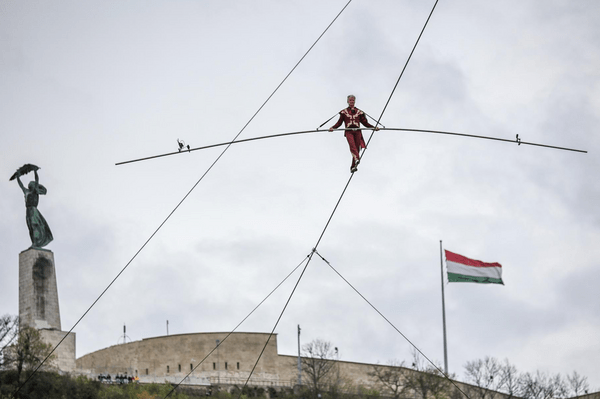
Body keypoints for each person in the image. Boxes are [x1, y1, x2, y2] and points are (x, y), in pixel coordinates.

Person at [329, 95, 379, 172]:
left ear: (354, 101)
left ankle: (353, 166)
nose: (351, 101)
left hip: (357, 131)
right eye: (350, 100)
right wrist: (333, 127)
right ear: (348, 101)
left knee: (357, 148)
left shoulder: (359, 112)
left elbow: (365, 123)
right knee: (352, 145)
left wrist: (373, 127)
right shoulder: (344, 112)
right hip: (349, 131)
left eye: (353, 100)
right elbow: (339, 123)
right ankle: (356, 159)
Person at [15, 168, 53, 248]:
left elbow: (37, 180)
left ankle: (36, 242)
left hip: (33, 210)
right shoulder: (26, 191)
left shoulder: (35, 191)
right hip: (28, 210)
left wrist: (35, 171)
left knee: (34, 225)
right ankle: (34, 242)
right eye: (29, 185)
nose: (30, 185)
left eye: (31, 184)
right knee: (30, 226)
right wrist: (17, 176)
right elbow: (21, 185)